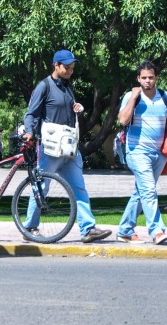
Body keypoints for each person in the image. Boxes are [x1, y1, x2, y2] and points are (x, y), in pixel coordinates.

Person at [22, 50, 112, 243]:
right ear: (56, 65)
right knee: (41, 187)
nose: (70, 71)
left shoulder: (67, 87)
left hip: (69, 149)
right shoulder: (43, 86)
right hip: (50, 148)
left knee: (79, 188)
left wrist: (76, 108)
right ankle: (30, 227)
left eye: (72, 68)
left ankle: (88, 229)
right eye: (67, 67)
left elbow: (65, 110)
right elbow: (31, 114)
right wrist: (29, 132)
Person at [116, 60, 167, 245]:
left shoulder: (165, 97)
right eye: (144, 78)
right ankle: (157, 231)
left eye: (151, 77)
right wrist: (134, 98)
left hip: (159, 153)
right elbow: (122, 120)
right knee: (149, 190)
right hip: (136, 151)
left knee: (141, 192)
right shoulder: (131, 96)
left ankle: (125, 230)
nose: (148, 81)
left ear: (156, 78)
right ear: (138, 78)